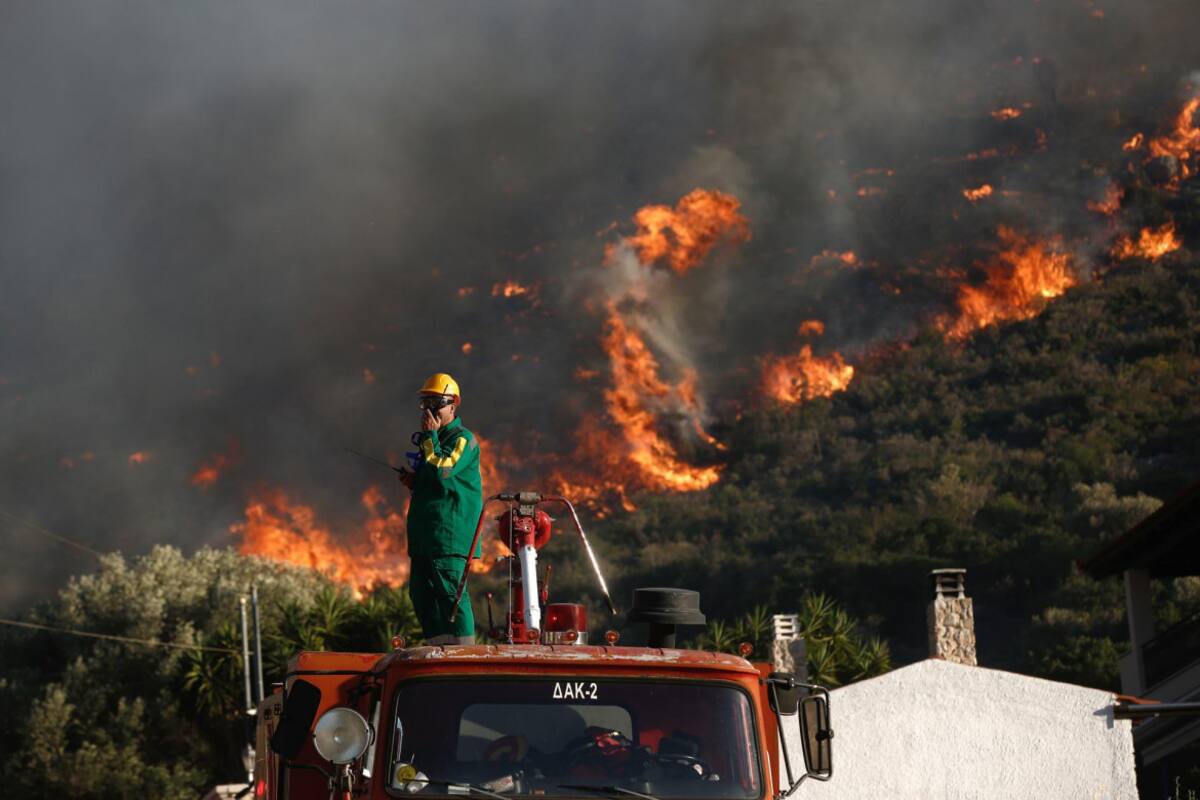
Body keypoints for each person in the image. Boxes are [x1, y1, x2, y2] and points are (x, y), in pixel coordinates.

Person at [400, 372, 483, 644]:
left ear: (453, 405)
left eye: (436, 403)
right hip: (426, 538)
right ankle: (438, 648)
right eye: (426, 403)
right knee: (421, 594)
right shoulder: (432, 440)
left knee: (451, 593)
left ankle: (464, 654)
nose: (429, 410)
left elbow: (444, 473)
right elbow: (435, 480)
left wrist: (430, 437)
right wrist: (415, 481)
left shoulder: (462, 439)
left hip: (449, 536)